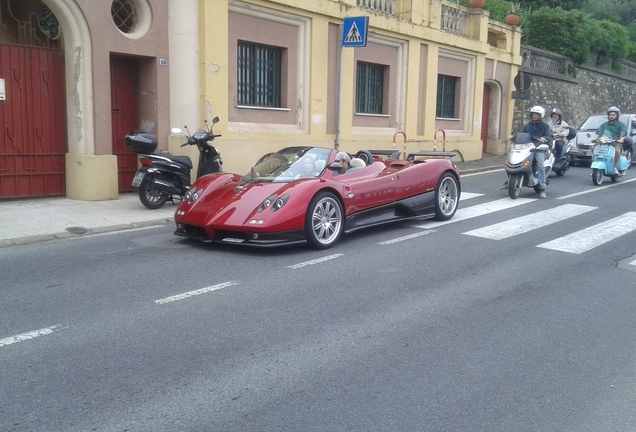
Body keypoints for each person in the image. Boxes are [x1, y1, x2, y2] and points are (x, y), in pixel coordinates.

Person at [501, 106, 552, 198]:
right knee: (511, 162)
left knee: (540, 164)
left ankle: (542, 188)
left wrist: (544, 138)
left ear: (541, 116)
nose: (534, 116)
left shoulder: (545, 126)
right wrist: (513, 136)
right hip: (527, 147)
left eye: (537, 114)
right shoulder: (528, 125)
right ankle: (509, 181)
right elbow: (521, 133)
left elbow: (549, 137)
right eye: (533, 114)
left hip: (538, 148)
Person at [594, 106, 627, 175]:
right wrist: (595, 138)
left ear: (617, 116)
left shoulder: (621, 125)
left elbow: (623, 133)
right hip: (604, 142)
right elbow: (599, 132)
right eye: (610, 115)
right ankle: (596, 163)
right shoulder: (604, 125)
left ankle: (614, 166)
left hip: (615, 143)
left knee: (617, 151)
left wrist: (621, 139)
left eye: (613, 115)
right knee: (594, 148)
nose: (611, 116)